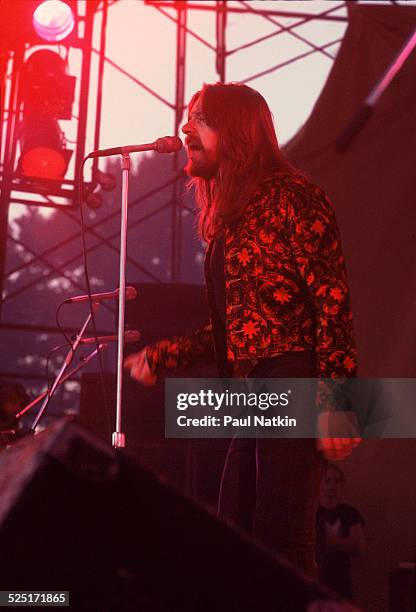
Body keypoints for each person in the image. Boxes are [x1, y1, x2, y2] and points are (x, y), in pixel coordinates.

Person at [124, 82, 359, 574]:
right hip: (253, 389)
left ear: (235, 132)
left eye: (201, 119)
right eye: (188, 117)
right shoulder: (231, 218)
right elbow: (235, 330)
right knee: (235, 529)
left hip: (294, 377)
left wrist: (338, 403)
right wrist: (163, 356)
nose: (186, 128)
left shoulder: (296, 198)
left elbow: (331, 304)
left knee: (279, 540)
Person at [315, 464, 365, 600]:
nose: (332, 485)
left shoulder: (350, 513)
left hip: (341, 582)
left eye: (336, 481)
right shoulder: (310, 513)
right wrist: (342, 542)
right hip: (314, 578)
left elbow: (358, 547)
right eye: (327, 480)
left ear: (342, 485)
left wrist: (327, 540)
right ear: (319, 483)